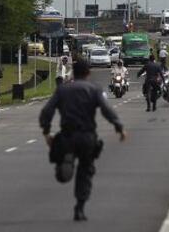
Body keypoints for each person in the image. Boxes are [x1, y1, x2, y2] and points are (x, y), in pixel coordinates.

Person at [39, 59, 126, 221]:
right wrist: (119, 127)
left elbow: (47, 111)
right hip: (87, 136)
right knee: (86, 171)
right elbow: (107, 110)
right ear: (88, 73)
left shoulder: (62, 90)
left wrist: (46, 131)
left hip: (68, 135)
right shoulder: (94, 89)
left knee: (63, 156)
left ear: (73, 72)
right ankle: (80, 207)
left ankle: (65, 161)